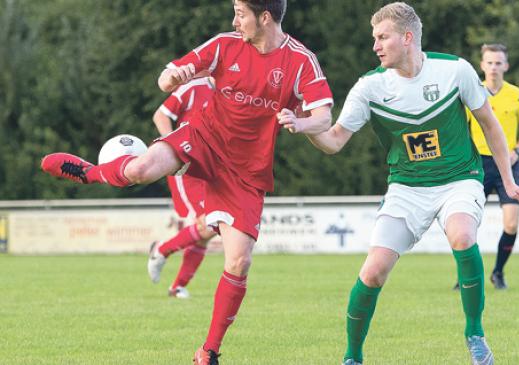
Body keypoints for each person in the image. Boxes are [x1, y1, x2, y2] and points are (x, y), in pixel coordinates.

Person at [41, 0, 333, 363]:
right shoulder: (224, 45)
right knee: (139, 169)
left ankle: (208, 352)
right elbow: (166, 78)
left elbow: (323, 115)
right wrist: (172, 78)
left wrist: (300, 122)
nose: (234, 20)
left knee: (239, 263)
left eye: (241, 14)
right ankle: (90, 172)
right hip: (203, 138)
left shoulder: (300, 60)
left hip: (245, 171)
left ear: (265, 17)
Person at [288, 2, 519, 364]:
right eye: (374, 38)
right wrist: (305, 125)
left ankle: (475, 334)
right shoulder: (369, 87)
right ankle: (352, 356)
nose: (375, 45)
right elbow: (335, 140)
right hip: (405, 188)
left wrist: (510, 182)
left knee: (463, 236)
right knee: (373, 272)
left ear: (407, 38)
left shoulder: (455, 71)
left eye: (382, 37)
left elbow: (489, 124)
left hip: (459, 180)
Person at [467, 43, 519, 290]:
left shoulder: (518, 96)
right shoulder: (472, 94)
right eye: (490, 62)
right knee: (465, 225)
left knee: (511, 223)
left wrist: (516, 150)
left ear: (506, 66)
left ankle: (497, 272)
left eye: (498, 63)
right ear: (482, 65)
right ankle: (467, 276)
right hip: (478, 164)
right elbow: (460, 129)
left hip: (508, 163)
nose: (494, 67)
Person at [148, 76, 218, 299]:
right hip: (187, 167)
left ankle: (177, 286)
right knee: (209, 223)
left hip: (211, 168)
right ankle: (161, 250)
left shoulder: (233, 93)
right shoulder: (194, 87)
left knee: (209, 229)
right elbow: (160, 115)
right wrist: (173, 148)